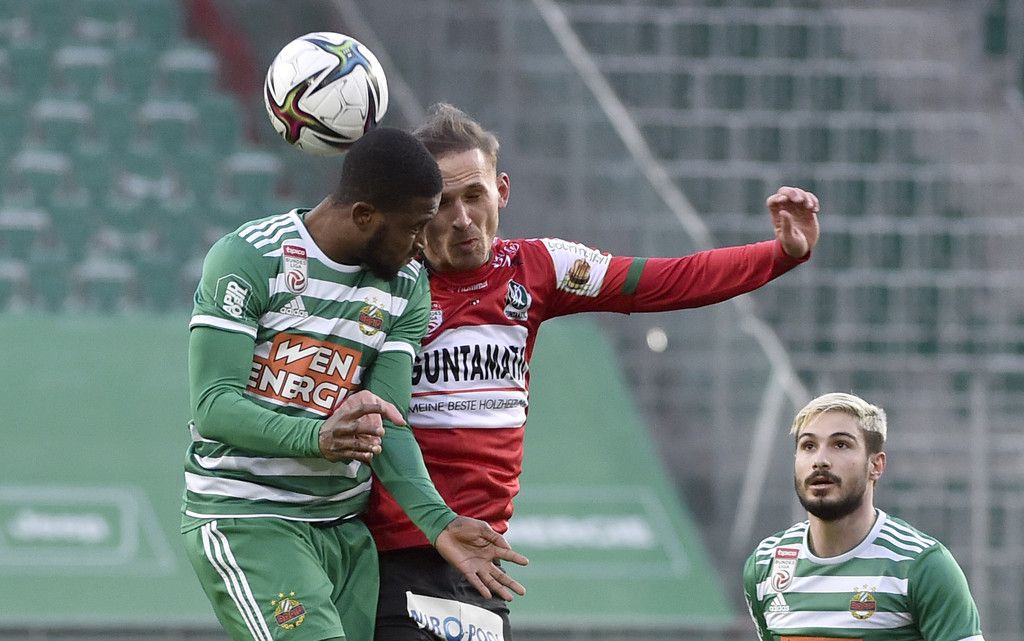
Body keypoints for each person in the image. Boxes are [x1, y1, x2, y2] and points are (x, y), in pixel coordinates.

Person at [366, 103, 822, 641]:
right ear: (418, 210)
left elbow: (668, 280)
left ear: (502, 191)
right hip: (391, 554)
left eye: (475, 195)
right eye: (444, 203)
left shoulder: (537, 268)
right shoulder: (384, 286)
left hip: (481, 563)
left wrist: (780, 254)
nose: (463, 218)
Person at [180, 127, 527, 641]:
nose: (421, 246)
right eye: (413, 229)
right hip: (249, 517)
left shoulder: (407, 286)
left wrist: (439, 522)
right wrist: (316, 437)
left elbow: (389, 423)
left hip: (345, 531)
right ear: (364, 216)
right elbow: (213, 406)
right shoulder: (250, 258)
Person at [743, 392, 985, 641]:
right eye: (808, 446)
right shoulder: (766, 564)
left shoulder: (922, 565)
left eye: (840, 445)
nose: (820, 460)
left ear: (876, 465)